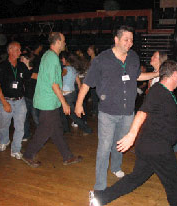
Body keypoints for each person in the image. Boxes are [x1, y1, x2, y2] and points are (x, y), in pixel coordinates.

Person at [75, 25, 159, 191]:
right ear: (116, 40)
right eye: (126, 40)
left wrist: (157, 74)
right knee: (104, 148)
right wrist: (78, 103)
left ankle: (116, 167)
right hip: (107, 112)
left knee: (120, 143)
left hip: (128, 112)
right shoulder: (101, 59)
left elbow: (137, 76)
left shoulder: (133, 57)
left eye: (131, 40)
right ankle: (100, 185)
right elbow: (87, 82)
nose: (130, 43)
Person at [89, 60, 177, 206]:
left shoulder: (163, 91)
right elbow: (142, 112)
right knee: (175, 181)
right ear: (174, 74)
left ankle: (100, 198)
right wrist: (131, 135)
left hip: (149, 146)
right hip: (157, 147)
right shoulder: (159, 91)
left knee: (135, 179)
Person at [22, 32, 82, 168]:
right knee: (45, 129)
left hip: (49, 99)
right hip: (48, 100)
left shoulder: (48, 55)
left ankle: (67, 156)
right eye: (64, 41)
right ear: (58, 42)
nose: (65, 43)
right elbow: (54, 84)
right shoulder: (52, 58)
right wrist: (64, 103)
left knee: (56, 129)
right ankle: (28, 155)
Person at [0, 41, 32, 159]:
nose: (20, 52)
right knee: (4, 124)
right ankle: (4, 141)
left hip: (20, 101)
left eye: (20, 50)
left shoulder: (21, 65)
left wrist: (46, 76)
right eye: (17, 50)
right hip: (6, 100)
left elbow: (30, 76)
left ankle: (16, 149)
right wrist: (4, 103)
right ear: (10, 51)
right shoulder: (2, 66)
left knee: (20, 126)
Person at [60, 51, 92, 135]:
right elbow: (78, 82)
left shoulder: (65, 69)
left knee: (72, 115)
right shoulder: (74, 69)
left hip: (66, 94)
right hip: (72, 93)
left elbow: (59, 75)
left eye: (62, 59)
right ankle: (65, 129)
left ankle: (87, 129)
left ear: (66, 59)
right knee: (63, 112)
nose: (61, 60)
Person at [21, 50, 40, 141]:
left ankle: (41, 135)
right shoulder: (21, 70)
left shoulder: (35, 69)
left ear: (27, 60)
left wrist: (26, 73)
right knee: (24, 117)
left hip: (34, 98)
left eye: (22, 58)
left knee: (36, 117)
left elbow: (38, 77)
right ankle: (26, 134)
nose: (20, 60)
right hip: (24, 97)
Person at [87, 45, 99, 117]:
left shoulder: (95, 59)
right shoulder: (92, 59)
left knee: (95, 97)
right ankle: (95, 110)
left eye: (89, 50)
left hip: (95, 81)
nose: (88, 51)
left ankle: (96, 111)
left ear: (93, 51)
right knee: (94, 96)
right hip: (93, 80)